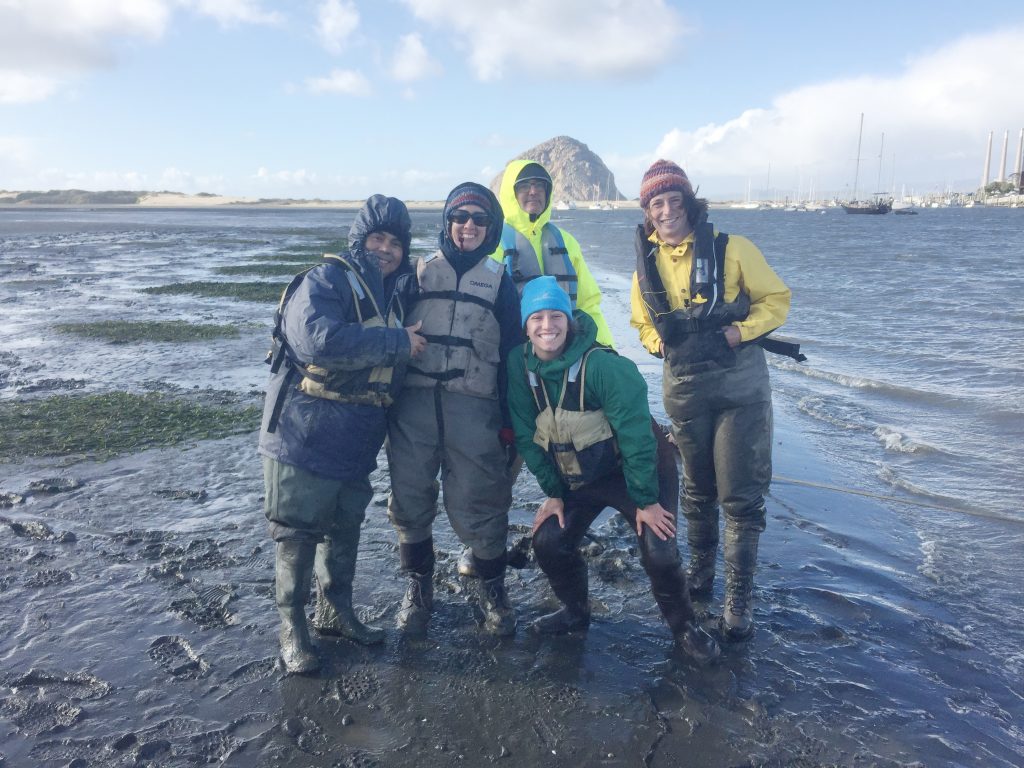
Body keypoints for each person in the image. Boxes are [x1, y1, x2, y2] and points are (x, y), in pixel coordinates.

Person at [506, 276, 719, 662]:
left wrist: (646, 501)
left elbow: (637, 437)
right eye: (536, 317)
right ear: (525, 325)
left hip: (636, 467)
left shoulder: (606, 368)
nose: (547, 325)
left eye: (556, 315)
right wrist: (554, 492)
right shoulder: (519, 366)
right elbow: (525, 433)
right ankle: (575, 611)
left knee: (659, 549)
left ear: (569, 320)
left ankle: (685, 627)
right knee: (548, 540)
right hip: (582, 474)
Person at [630, 159, 800, 641]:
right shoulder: (645, 264)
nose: (666, 211)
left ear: (689, 202)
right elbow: (641, 323)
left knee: (741, 498)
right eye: (656, 203)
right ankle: (701, 577)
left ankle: (738, 600)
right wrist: (657, 344)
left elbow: (777, 300)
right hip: (683, 388)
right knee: (696, 490)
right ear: (647, 212)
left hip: (738, 387)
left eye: (673, 200)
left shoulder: (734, 249)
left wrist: (737, 332)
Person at [259, 195, 426, 673]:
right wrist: (399, 342)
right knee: (297, 531)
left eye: (396, 242)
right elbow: (318, 340)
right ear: (358, 239)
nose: (387, 249)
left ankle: (335, 611)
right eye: (378, 238)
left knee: (344, 525)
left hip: (355, 436)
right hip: (302, 432)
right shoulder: (324, 281)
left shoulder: (392, 293)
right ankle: (292, 629)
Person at [386, 182, 522, 636]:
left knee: (483, 501)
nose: (468, 226)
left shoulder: (501, 283)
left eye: (479, 220)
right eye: (460, 217)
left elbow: (515, 356)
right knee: (409, 499)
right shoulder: (416, 274)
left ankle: (492, 590)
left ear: (492, 228)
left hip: (476, 409)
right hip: (414, 409)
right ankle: (418, 589)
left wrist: (510, 422)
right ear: (447, 222)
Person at [492, 159, 613, 347]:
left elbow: (588, 303)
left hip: (563, 350)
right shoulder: (492, 242)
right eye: (524, 185)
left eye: (540, 185)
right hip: (511, 350)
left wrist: (605, 348)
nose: (533, 191)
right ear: (511, 193)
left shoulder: (567, 242)